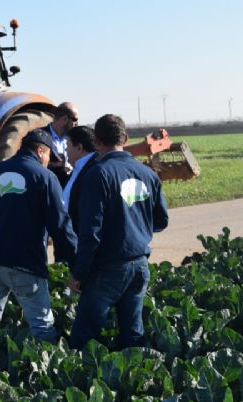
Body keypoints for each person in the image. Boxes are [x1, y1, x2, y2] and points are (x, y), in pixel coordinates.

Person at [0, 128, 77, 342]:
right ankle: (47, 369)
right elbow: (60, 225)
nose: (48, 161)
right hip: (23, 263)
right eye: (49, 155)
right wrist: (75, 265)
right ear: (40, 151)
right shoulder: (44, 177)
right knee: (41, 324)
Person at [68, 114, 169, 350]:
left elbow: (90, 232)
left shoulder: (98, 174)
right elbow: (161, 220)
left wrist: (79, 273)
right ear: (125, 138)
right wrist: (134, 226)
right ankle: (136, 383)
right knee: (133, 335)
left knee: (83, 336)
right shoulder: (147, 174)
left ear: (97, 140)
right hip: (140, 266)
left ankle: (80, 382)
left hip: (107, 269)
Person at [62, 125, 98, 226]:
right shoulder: (78, 167)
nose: (65, 151)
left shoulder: (95, 170)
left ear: (79, 147)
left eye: (67, 146)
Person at [44, 102, 79, 187]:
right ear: (64, 119)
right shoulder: (41, 136)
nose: (76, 123)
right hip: (49, 185)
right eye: (75, 119)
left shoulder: (75, 138)